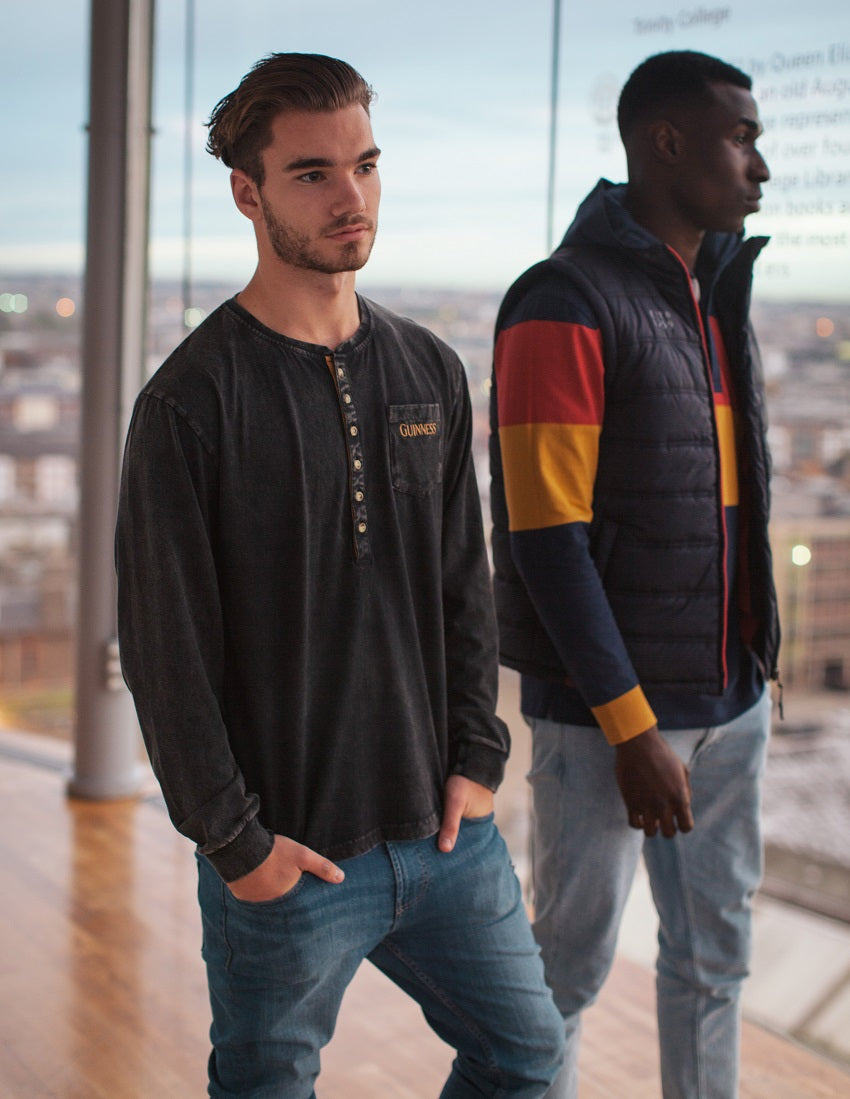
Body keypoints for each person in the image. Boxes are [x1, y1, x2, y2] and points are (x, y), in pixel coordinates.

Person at [116, 51, 563, 1099]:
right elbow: (165, 651)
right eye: (312, 172)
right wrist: (237, 844)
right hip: (288, 858)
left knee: (529, 1060)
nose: (349, 195)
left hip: (447, 836)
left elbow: (465, 585)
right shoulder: (189, 403)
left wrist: (478, 758)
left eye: (364, 164)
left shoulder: (427, 372)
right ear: (247, 191)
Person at [489, 50, 780, 1098]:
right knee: (559, 974)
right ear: (665, 143)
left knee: (712, 969)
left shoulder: (713, 298)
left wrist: (750, 674)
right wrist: (630, 728)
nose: (758, 167)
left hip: (730, 700)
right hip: (607, 723)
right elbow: (544, 539)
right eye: (740, 138)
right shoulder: (560, 301)